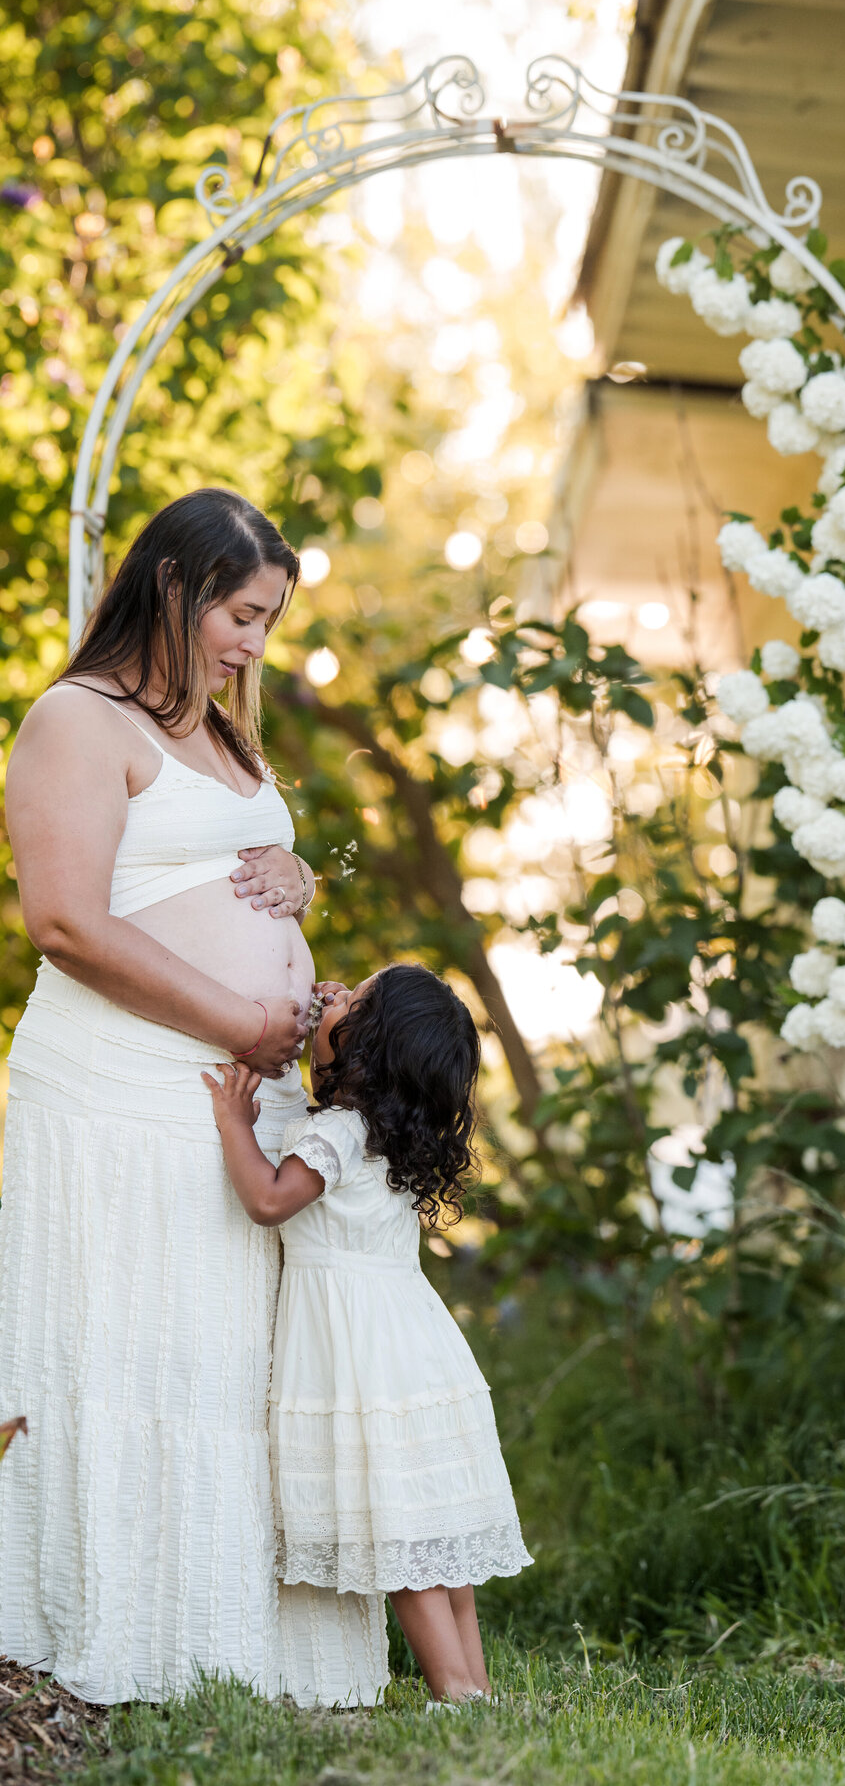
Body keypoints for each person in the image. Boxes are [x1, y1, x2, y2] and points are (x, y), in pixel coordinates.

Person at [0, 488, 389, 1706]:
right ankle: (118, 1625)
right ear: (171, 587)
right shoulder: (77, 719)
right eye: (240, 614)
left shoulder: (225, 732)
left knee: (227, 1369)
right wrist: (239, 1021)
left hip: (231, 1098)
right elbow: (66, 919)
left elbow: (230, 882)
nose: (253, 645)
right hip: (119, 1089)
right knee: (128, 1348)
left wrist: (292, 884)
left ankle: (230, 1642)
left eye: (268, 622)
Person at [202, 963, 533, 1705]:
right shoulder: (390, 1135)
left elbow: (265, 1199)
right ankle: (473, 1686)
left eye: (354, 1001)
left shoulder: (336, 1133)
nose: (335, 997)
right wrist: (335, 1011)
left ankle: (454, 1690)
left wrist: (233, 1122)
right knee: (440, 1543)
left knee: (403, 1539)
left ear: (364, 1044)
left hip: (358, 1355)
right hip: (412, 1343)